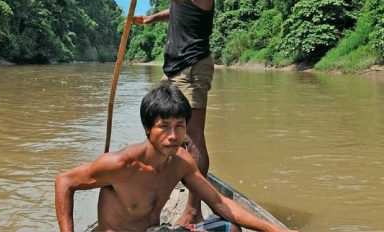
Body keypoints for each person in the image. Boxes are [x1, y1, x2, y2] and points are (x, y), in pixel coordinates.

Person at [54, 82, 293, 232]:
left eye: (179, 126)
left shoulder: (181, 162)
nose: (172, 135)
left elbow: (219, 202)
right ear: (148, 129)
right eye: (164, 126)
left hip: (157, 230)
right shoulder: (121, 164)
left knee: (229, 228)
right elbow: (64, 182)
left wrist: (272, 229)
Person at [135, 0, 216, 224]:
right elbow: (180, 6)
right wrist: (153, 18)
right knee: (165, 126)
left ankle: (193, 209)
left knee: (192, 136)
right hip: (173, 66)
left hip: (192, 65)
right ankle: (159, 189)